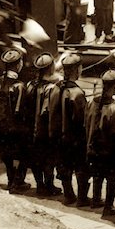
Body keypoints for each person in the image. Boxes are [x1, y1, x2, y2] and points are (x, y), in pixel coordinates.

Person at [85, 68, 115, 216]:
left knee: (97, 174)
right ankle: (108, 207)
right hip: (110, 152)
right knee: (112, 178)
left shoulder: (92, 102)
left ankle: (96, 199)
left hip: (93, 148)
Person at [0, 48, 31, 193]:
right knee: (25, 154)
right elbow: (20, 110)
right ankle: (18, 181)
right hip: (15, 127)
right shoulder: (19, 86)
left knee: (6, 154)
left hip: (0, 126)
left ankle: (10, 179)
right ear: (18, 64)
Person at [50, 53, 88, 205]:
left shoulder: (55, 88)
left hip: (58, 136)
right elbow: (81, 119)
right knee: (81, 167)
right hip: (74, 138)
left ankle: (68, 195)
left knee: (63, 166)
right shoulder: (77, 93)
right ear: (76, 70)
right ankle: (82, 199)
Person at [29, 53, 60, 197]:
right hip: (44, 130)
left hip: (31, 128)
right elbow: (47, 111)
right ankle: (48, 185)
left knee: (35, 158)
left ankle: (39, 185)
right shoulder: (51, 88)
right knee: (48, 159)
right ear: (51, 68)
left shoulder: (30, 85)